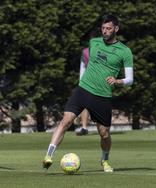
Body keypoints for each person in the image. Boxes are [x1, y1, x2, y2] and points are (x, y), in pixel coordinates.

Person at [42, 14, 134, 172]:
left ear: (116, 29)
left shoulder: (125, 52)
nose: (105, 31)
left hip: (102, 95)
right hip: (83, 89)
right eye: (103, 28)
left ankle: (105, 160)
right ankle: (48, 156)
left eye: (108, 28)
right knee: (66, 121)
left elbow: (130, 79)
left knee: (104, 133)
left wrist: (117, 81)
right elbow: (86, 63)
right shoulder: (94, 43)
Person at [76, 48, 90, 136]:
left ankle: (104, 127)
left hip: (101, 82)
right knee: (85, 105)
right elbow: (83, 67)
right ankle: (84, 128)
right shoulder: (85, 52)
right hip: (87, 81)